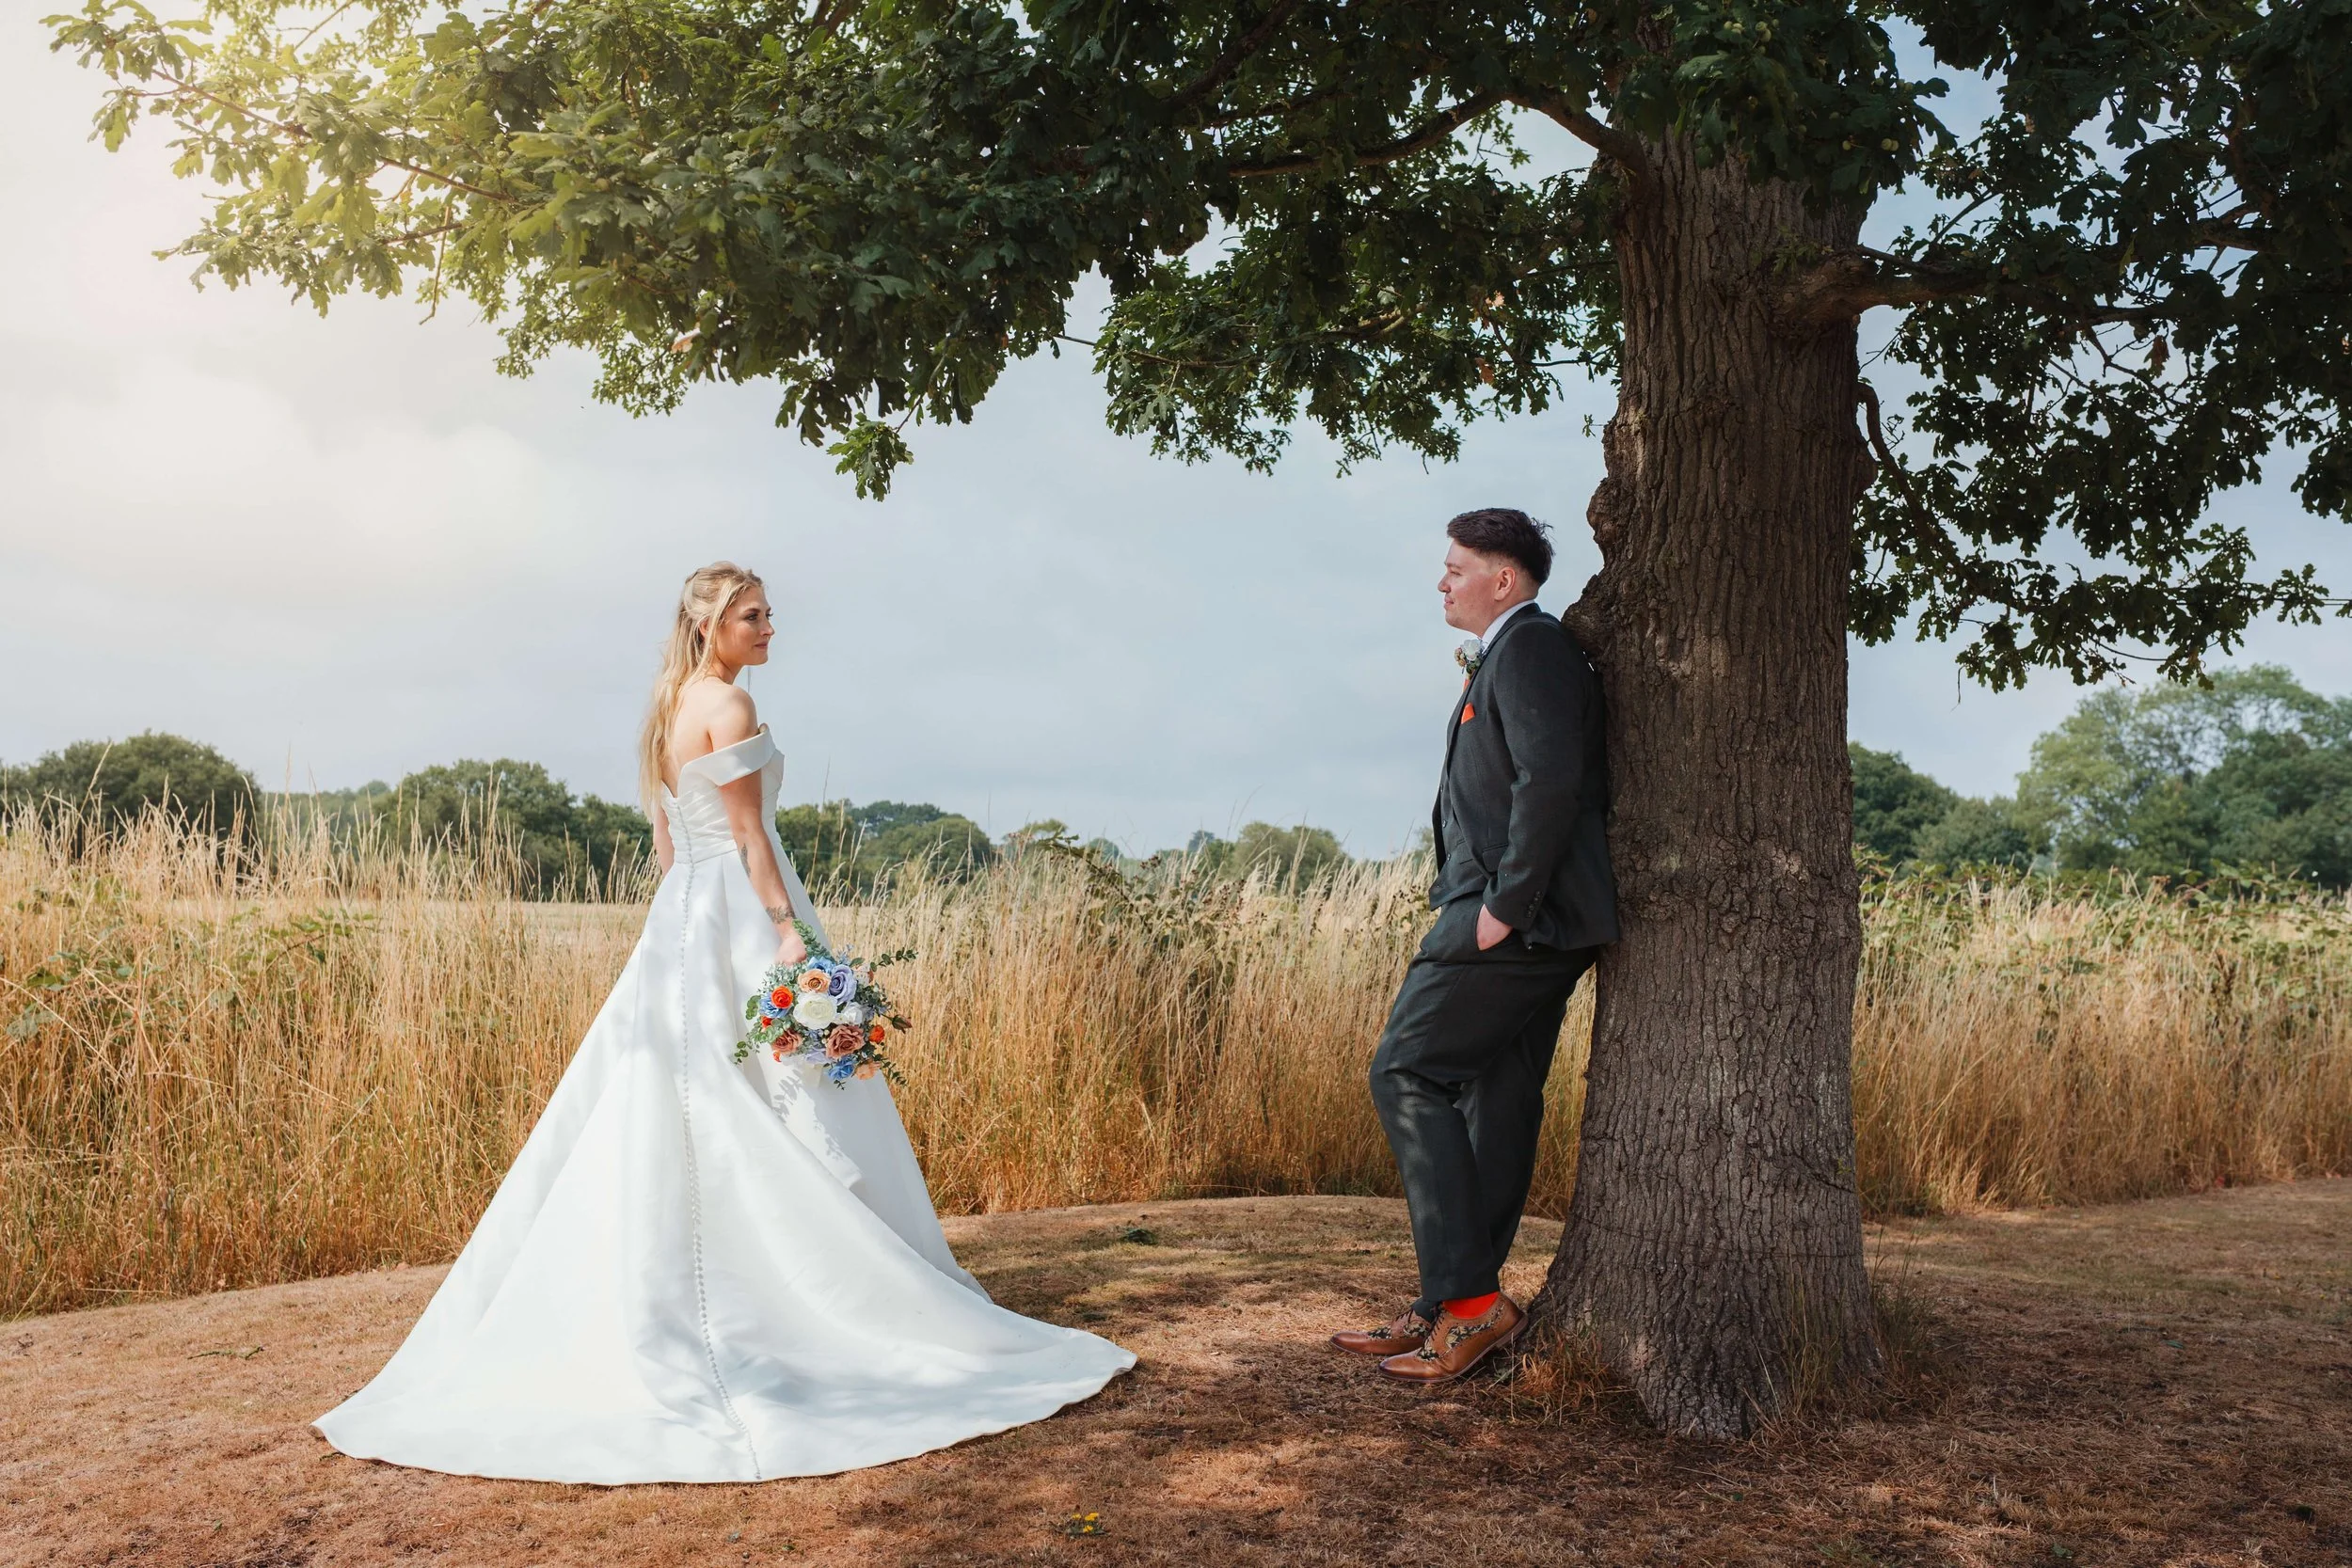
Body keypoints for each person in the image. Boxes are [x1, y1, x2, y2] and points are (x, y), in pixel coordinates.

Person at [315, 562, 1134, 1483]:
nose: (771, 627)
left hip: (683, 919)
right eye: (754, 615)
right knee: (765, 1094)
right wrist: (789, 936)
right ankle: (805, 1301)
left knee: (675, 1094)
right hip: (741, 915)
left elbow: (672, 843)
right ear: (709, 624)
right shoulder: (730, 710)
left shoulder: (671, 706)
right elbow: (748, 838)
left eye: (770, 613)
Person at [1331, 510, 1618, 1384]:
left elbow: (1552, 777)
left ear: (1504, 579)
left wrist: (1504, 903)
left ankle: (1467, 1300)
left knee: (1404, 1071)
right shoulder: (1506, 653)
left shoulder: (1530, 646)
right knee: (1496, 1099)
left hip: (1513, 918)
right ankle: (1452, 1304)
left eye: (1457, 567)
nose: (1442, 580)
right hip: (1529, 918)